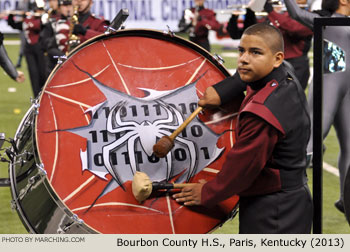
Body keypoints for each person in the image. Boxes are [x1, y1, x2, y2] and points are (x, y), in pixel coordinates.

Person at [173, 23, 313, 234]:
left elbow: (242, 170)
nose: (244, 59)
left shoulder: (261, 113)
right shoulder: (286, 74)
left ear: (277, 59)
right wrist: (223, 90)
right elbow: (245, 74)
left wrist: (207, 192)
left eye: (255, 52)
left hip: (272, 212)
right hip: (292, 200)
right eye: (241, 51)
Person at [284, 0, 350, 214]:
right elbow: (295, 13)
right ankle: (285, 191)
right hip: (328, 83)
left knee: (349, 146)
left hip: (346, 88)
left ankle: (345, 198)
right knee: (312, 138)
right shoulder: (324, 21)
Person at [7, 1, 47, 97]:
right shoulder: (27, 20)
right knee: (34, 76)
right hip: (29, 51)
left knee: (44, 75)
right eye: (38, 9)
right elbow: (14, 25)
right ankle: (37, 100)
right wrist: (10, 16)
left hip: (42, 50)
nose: (39, 11)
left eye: (41, 9)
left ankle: (45, 98)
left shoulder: (45, 19)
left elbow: (40, 25)